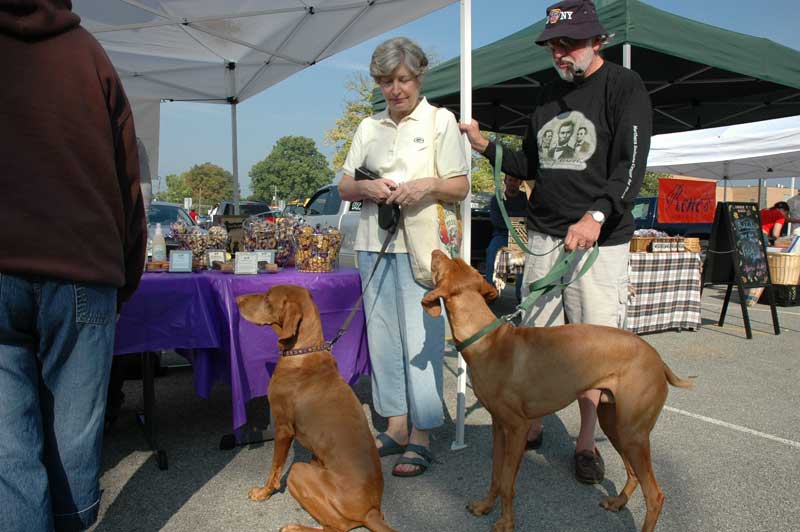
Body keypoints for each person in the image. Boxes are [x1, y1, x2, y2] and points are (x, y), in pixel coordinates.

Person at [460, 0, 652, 485]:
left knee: (591, 352)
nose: (559, 54)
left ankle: (586, 443)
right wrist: (487, 146)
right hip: (545, 236)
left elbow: (630, 166)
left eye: (569, 44)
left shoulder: (623, 86)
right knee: (536, 340)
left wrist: (596, 215)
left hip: (598, 241)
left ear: (598, 42)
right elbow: (529, 162)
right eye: (553, 45)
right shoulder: (546, 94)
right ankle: (533, 422)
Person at [0, 2, 147, 531]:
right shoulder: (90, 56)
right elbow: (128, 181)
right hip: (84, 268)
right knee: (73, 439)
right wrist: (126, 275)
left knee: (6, 448)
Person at [338, 36, 469, 477]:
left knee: (422, 343)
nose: (395, 89)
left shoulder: (440, 121)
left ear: (419, 77)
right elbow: (343, 186)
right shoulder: (367, 127)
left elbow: (460, 185)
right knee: (383, 341)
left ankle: (423, 433)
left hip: (423, 249)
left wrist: (424, 185)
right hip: (374, 244)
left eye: (403, 79)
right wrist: (367, 188)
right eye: (385, 81)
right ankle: (394, 426)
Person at [485, 174, 528, 302]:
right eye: (510, 180)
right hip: (501, 235)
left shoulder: (526, 199)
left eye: (515, 180)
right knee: (491, 254)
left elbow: (528, 219)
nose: (512, 183)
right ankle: (490, 293)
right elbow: (496, 221)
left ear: (520, 182)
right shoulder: (497, 199)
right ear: (505, 181)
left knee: (523, 262)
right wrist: (516, 223)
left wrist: (516, 225)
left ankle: (521, 298)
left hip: (521, 236)